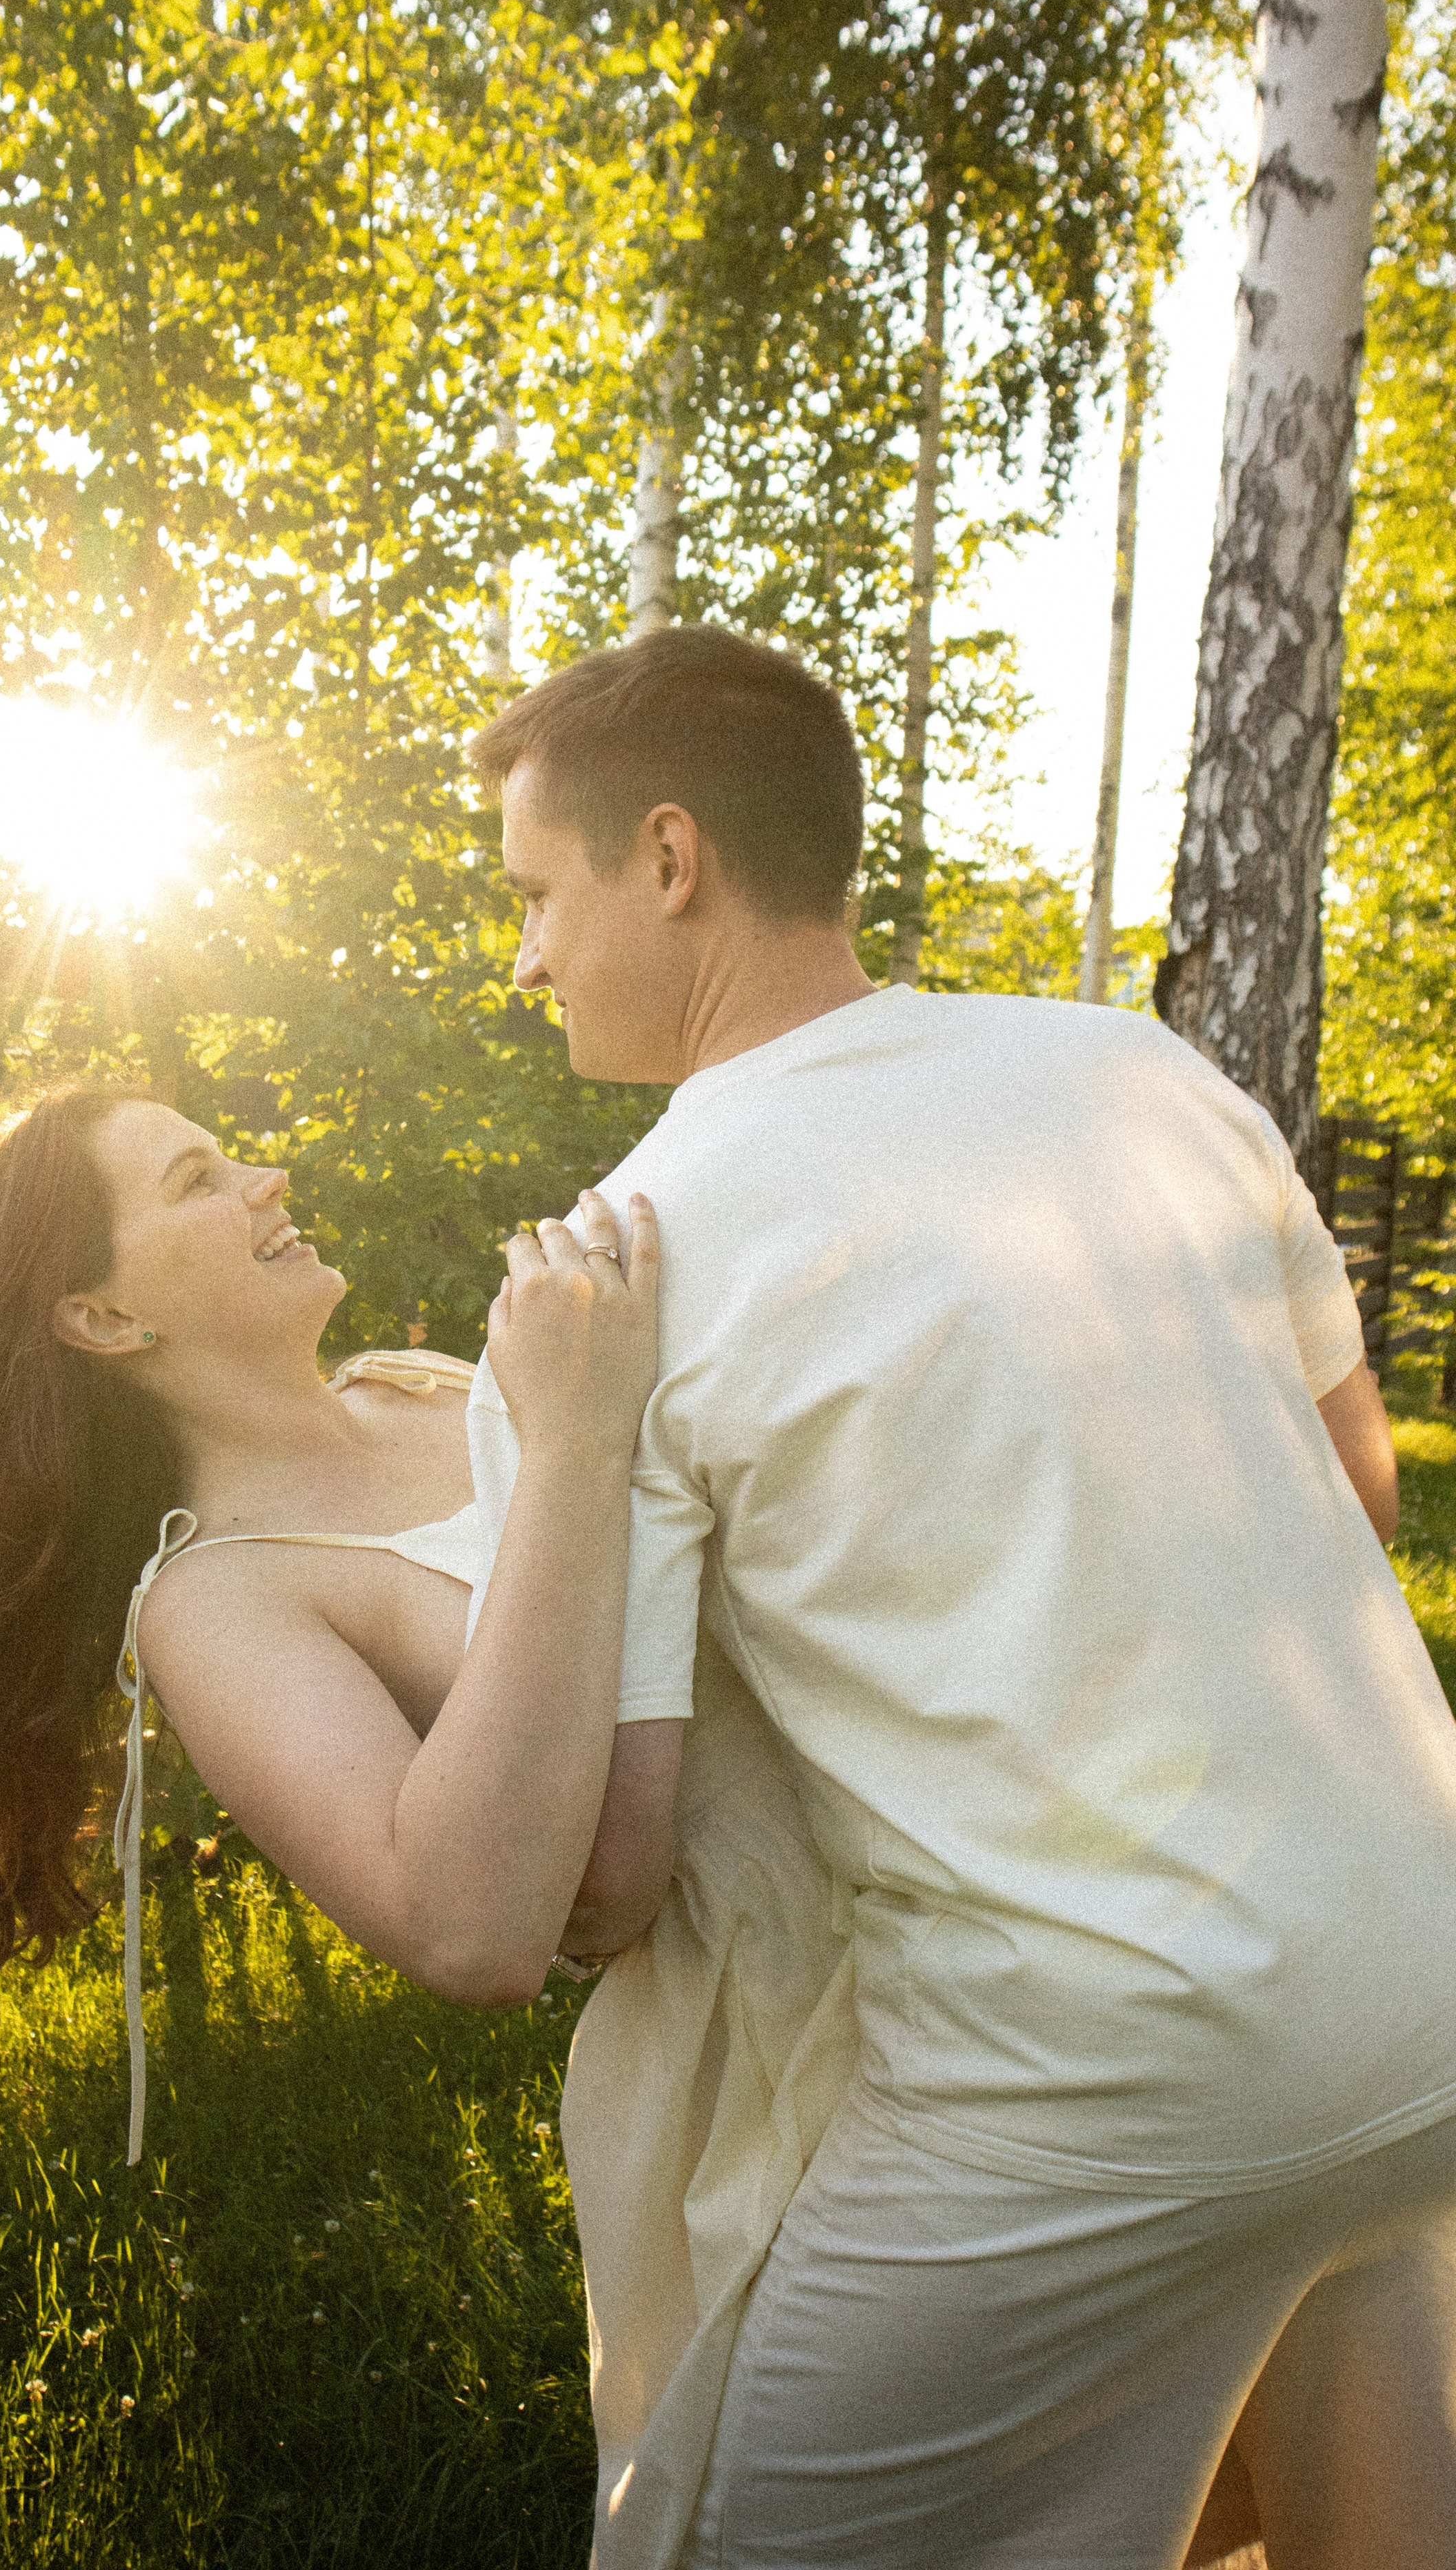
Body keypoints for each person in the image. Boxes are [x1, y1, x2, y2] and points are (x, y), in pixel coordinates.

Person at [463, 622, 1456, 2570]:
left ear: (668, 859)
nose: (524, 960)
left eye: (533, 893)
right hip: (1423, 1976)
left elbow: (613, 1870)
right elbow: (1357, 1485)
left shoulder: (619, 1275)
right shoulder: (1142, 1071)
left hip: (1085, 2091)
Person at [0, 1082, 663, 2163]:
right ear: (103, 1318)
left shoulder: (426, 1388)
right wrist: (578, 1442)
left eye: (229, 1156)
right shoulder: (213, 1599)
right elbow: (469, 1938)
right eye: (199, 1182)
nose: (268, 1180)